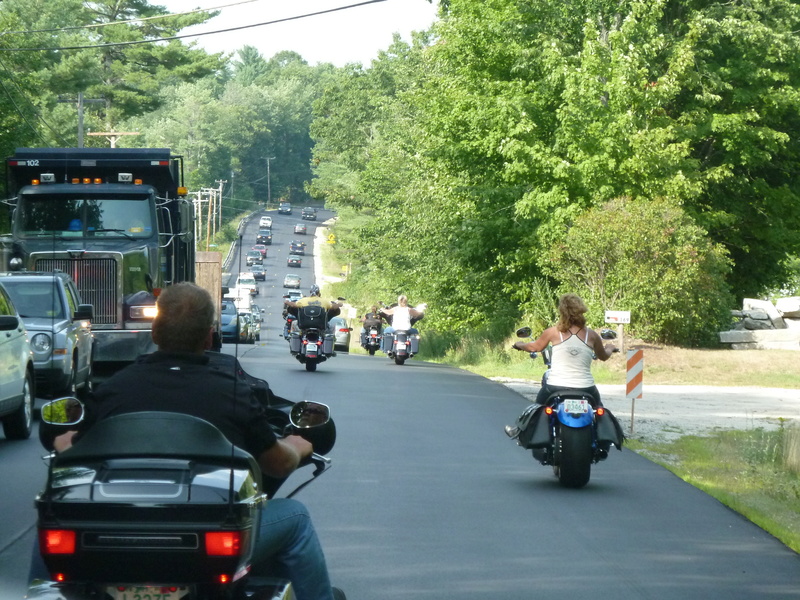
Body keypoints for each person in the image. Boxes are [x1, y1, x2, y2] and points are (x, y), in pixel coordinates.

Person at [43, 282, 344, 600]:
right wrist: (298, 444)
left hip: (114, 538)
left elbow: (75, 455)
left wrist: (62, 440)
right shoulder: (235, 396)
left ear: (155, 332)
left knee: (55, 516)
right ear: (209, 336)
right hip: (211, 542)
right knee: (295, 516)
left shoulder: (113, 390)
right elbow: (278, 464)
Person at [504, 293, 617, 439]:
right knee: (599, 410)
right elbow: (603, 356)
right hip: (585, 387)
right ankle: (605, 437)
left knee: (538, 407)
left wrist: (520, 344)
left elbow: (534, 347)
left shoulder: (553, 332)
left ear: (562, 311)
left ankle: (519, 431)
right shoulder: (592, 335)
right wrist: (610, 348)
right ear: (582, 311)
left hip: (556, 386)